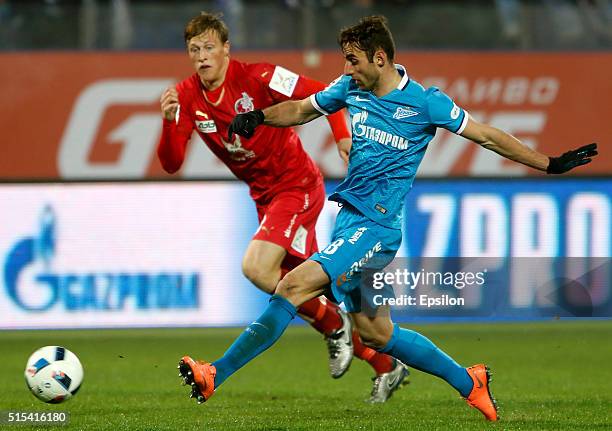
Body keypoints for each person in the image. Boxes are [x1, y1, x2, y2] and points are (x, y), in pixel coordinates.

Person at [177, 15, 598, 421]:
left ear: (380, 58)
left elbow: (487, 135)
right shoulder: (348, 88)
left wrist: (548, 163)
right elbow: (302, 110)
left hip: (376, 228)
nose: (346, 69)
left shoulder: (426, 102)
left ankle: (216, 372)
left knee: (293, 285)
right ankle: (470, 383)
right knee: (378, 334)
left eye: (353, 60)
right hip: (349, 221)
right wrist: (259, 116)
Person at [159, 12, 408, 403]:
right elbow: (172, 163)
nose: (202, 56)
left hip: (297, 186)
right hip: (264, 199)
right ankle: (384, 363)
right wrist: (170, 122)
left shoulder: (260, 77)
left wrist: (343, 138)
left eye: (209, 47)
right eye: (194, 50)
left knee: (258, 268)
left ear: (226, 48)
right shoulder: (188, 96)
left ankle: (334, 327)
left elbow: (325, 93)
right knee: (310, 290)